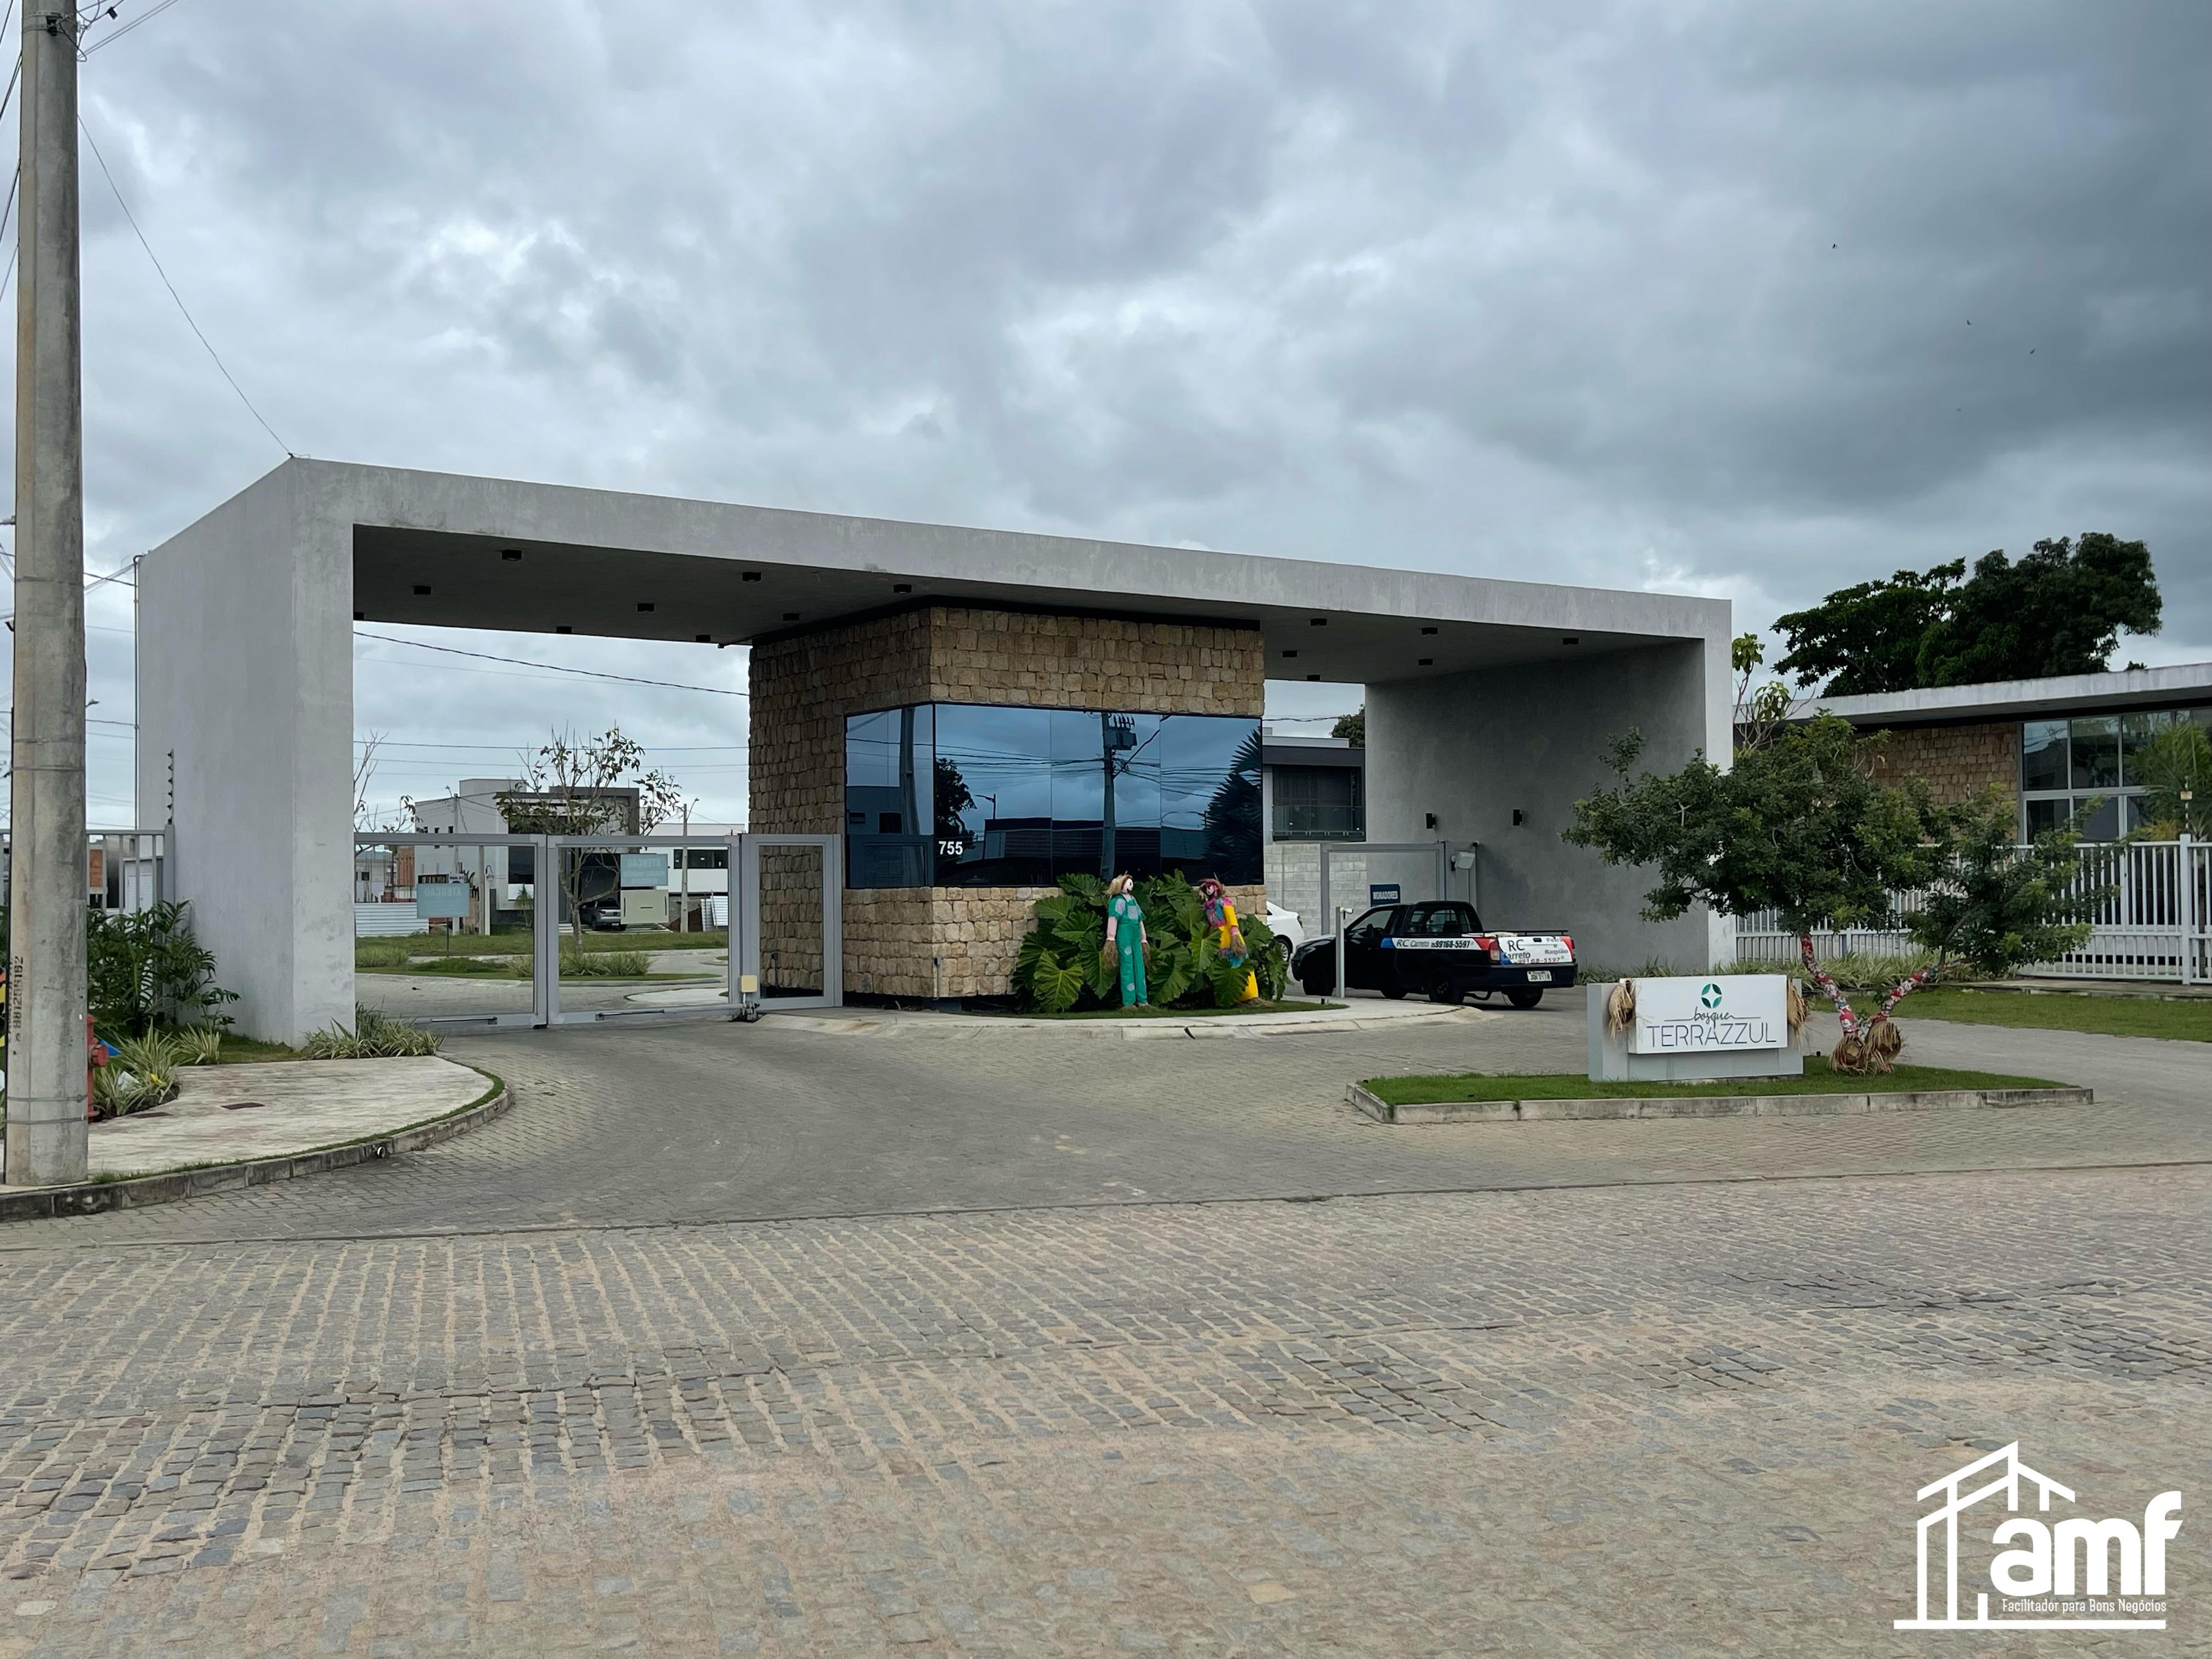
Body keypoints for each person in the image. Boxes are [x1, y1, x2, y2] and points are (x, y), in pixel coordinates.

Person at [1198, 876, 1258, 1002]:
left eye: (1210, 888)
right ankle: (1225, 997)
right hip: (1216, 936)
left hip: (1228, 934)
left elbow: (1231, 918)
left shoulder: (1223, 903)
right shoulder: (1207, 907)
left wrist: (1234, 933)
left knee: (1236, 961)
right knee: (1221, 964)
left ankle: (1246, 995)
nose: (1208, 890)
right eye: (1206, 889)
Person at [1104, 873, 1149, 1008]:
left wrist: (1144, 938)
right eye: (1128, 883)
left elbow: (1140, 919)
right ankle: (1129, 1001)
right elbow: (1113, 920)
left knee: (1139, 965)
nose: (1131, 885)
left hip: (1136, 934)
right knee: (1127, 964)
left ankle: (1142, 1000)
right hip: (1124, 934)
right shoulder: (1118, 901)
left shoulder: (1133, 900)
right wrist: (1111, 937)